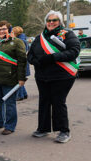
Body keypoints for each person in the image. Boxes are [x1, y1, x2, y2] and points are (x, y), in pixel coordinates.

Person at [27, 10, 80, 143]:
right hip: (42, 76)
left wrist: (53, 57)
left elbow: (74, 52)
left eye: (54, 20)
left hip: (62, 75)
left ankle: (63, 131)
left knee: (58, 102)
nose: (51, 23)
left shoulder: (67, 34)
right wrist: (35, 61)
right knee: (44, 101)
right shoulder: (39, 37)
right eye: (49, 20)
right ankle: (43, 128)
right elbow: (30, 54)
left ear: (60, 22)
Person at [0, 21, 27, 135]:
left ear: (9, 30)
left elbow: (22, 61)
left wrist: (21, 78)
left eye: (4, 29)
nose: (1, 31)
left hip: (10, 78)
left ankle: (10, 126)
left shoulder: (17, 42)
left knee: (10, 104)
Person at [13, 26, 30, 101]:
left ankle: (20, 95)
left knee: (18, 79)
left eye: (13, 32)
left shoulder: (19, 41)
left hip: (20, 62)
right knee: (20, 79)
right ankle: (24, 94)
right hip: (24, 62)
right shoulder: (24, 39)